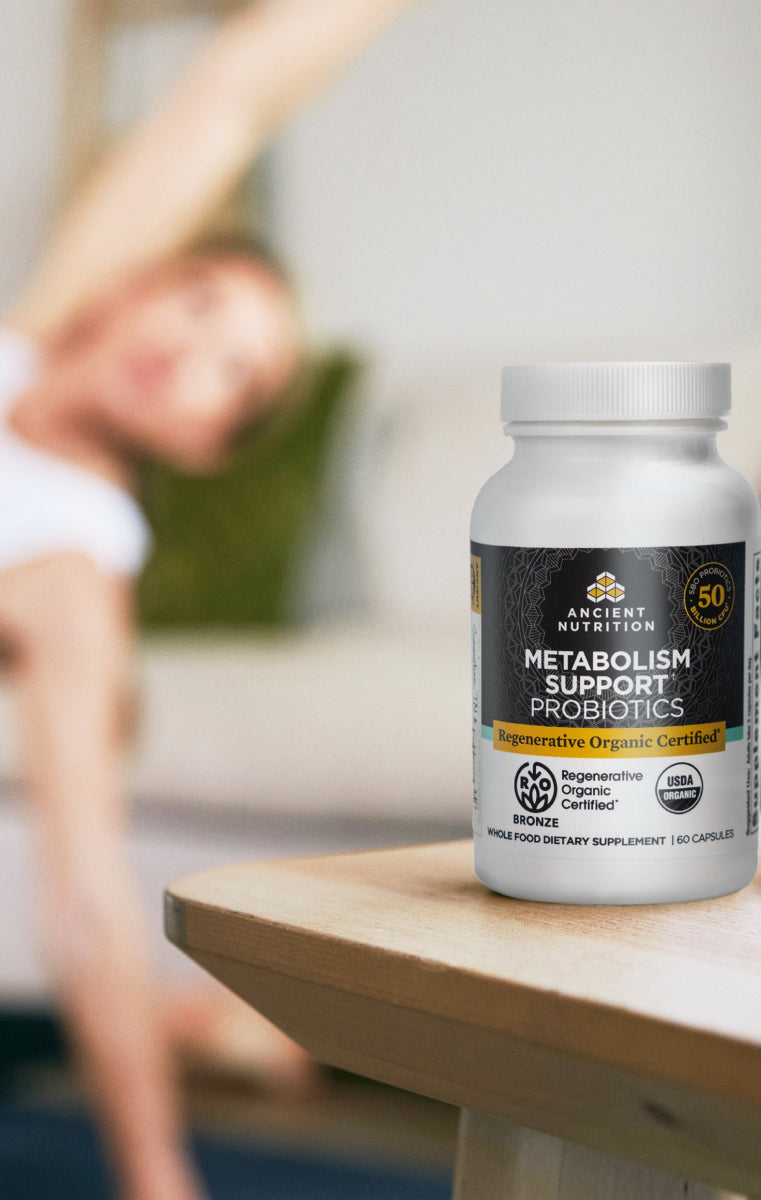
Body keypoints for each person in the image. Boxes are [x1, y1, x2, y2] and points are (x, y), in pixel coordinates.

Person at [0, 3, 417, 1198]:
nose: (189, 353)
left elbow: (83, 896)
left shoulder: (70, 564)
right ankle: (212, 1026)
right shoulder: (29, 333)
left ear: (202, 447)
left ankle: (199, 1035)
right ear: (139, 285)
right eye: (197, 303)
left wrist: (151, 1172)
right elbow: (231, 88)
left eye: (230, 373)